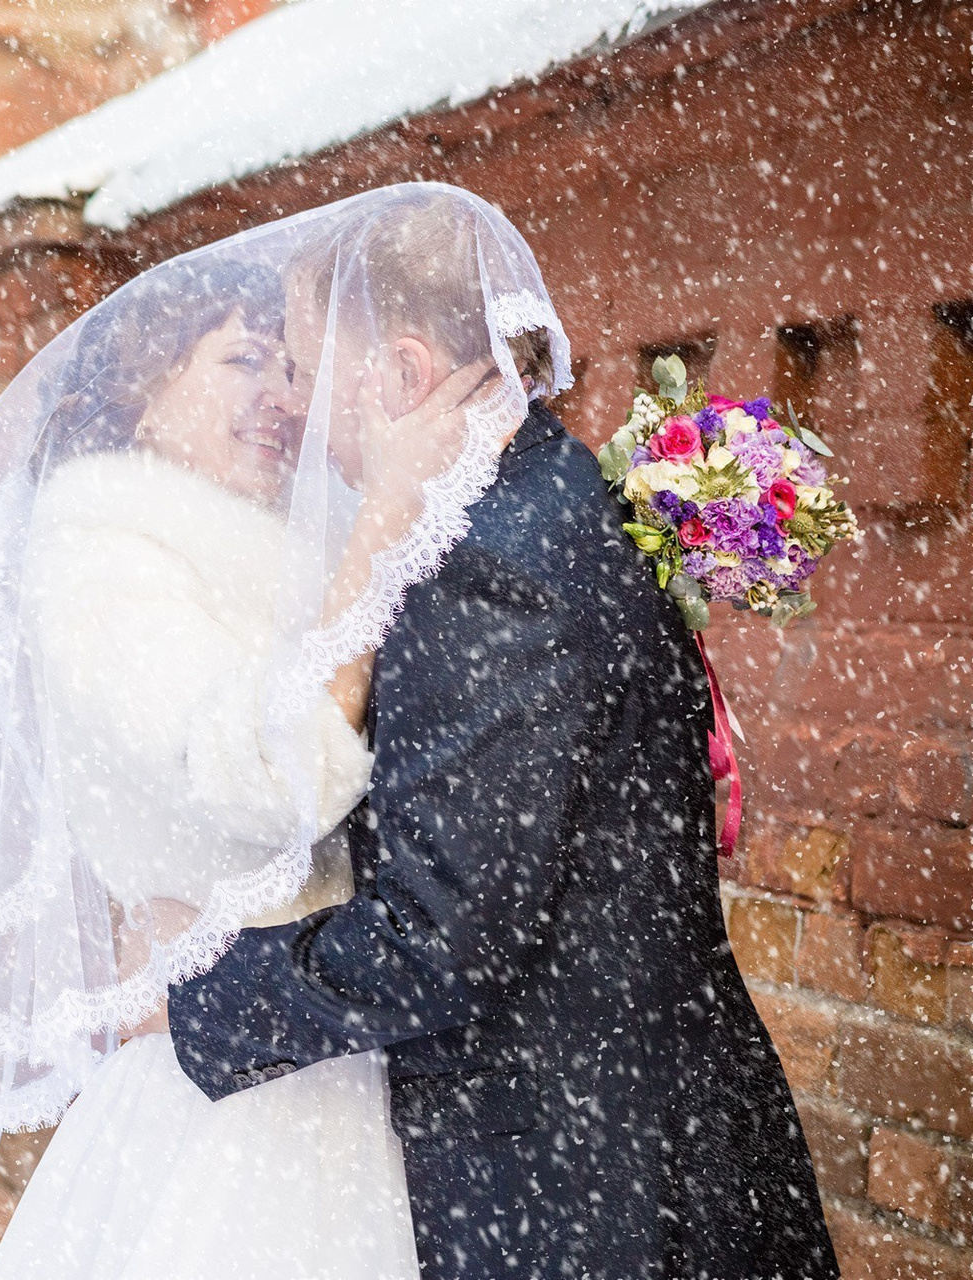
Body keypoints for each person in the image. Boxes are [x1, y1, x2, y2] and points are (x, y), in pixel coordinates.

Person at [166, 186, 841, 1279]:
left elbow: (440, 940)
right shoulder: (552, 497)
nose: (300, 410)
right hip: (642, 1142)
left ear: (404, 374)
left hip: (585, 1197)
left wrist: (194, 993)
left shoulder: (483, 566)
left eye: (313, 372)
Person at [0, 183, 554, 1276]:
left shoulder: (286, 550)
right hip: (246, 1085)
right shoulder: (99, 553)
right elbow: (266, 775)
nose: (281, 395)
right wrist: (385, 523)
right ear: (142, 393)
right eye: (240, 360)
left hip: (334, 1032)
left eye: (289, 365)